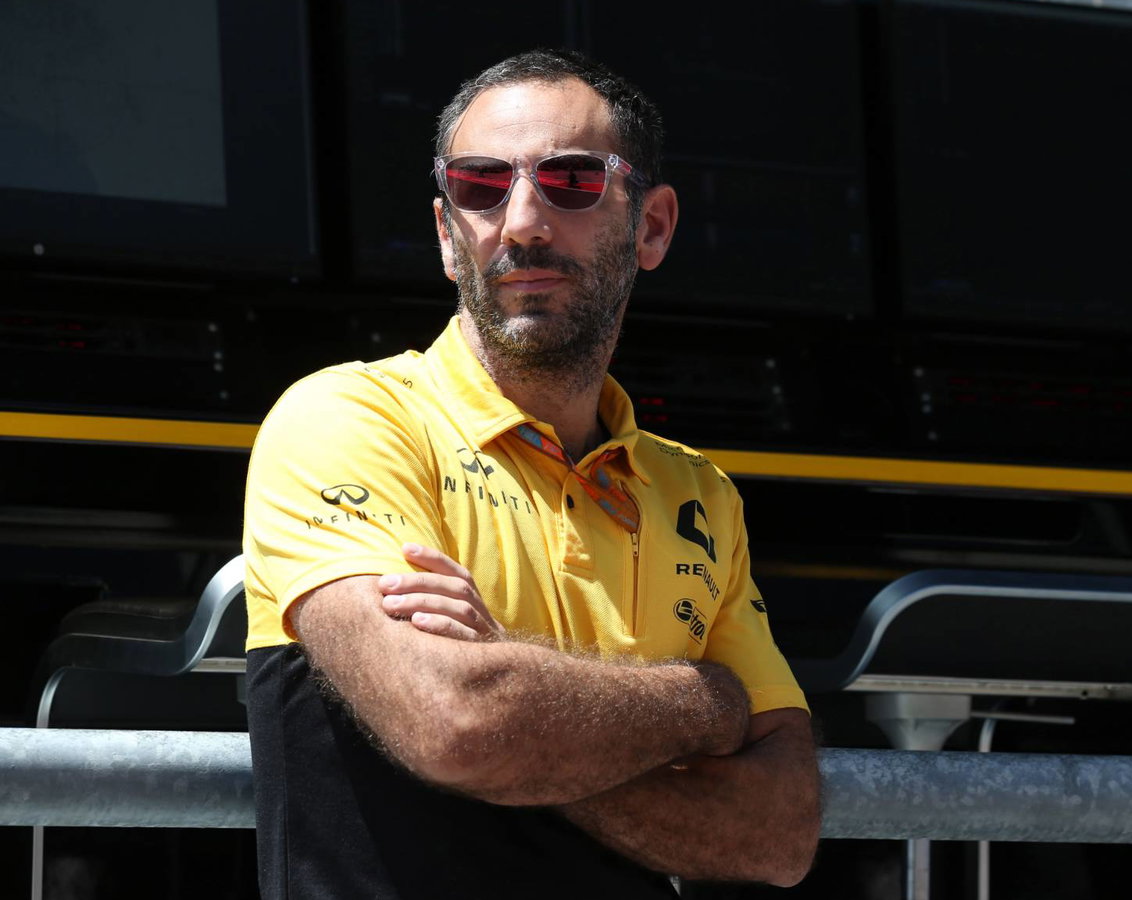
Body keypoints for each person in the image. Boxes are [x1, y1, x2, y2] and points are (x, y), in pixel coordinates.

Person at [242, 48, 821, 899]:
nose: (520, 223)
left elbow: (779, 834)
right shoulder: (346, 419)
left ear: (653, 227)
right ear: (447, 235)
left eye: (572, 182)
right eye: (478, 185)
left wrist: (521, 711)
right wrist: (708, 703)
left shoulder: (699, 494)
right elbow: (460, 724)